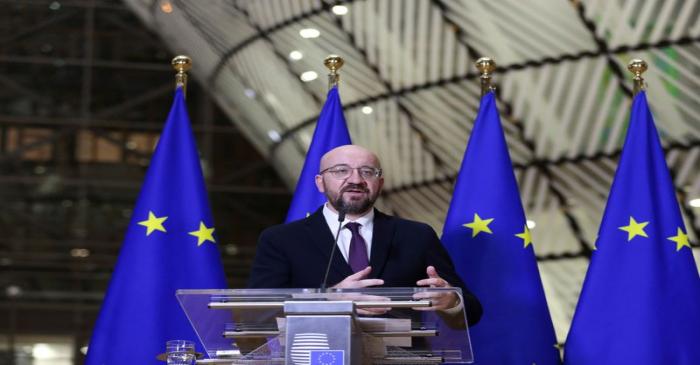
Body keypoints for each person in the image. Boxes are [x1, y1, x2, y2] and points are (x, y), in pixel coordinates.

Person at [248, 145, 482, 325]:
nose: (356, 180)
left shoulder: (417, 235)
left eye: (367, 172)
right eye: (341, 171)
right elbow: (259, 314)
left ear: (379, 183)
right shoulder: (281, 239)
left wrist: (450, 301)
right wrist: (328, 300)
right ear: (320, 183)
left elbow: (471, 311)